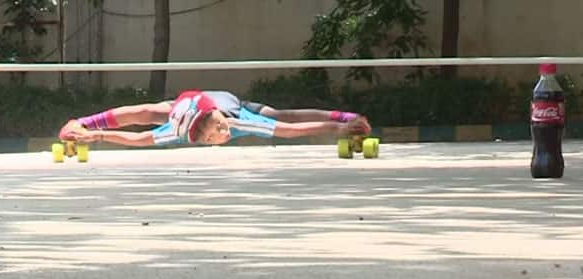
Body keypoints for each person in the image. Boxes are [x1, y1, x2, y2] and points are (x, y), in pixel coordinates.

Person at [58, 90, 371, 147]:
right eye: (211, 138)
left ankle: (345, 113)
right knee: (149, 111)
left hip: (227, 102)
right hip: (185, 106)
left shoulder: (236, 120)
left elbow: (288, 129)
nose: (219, 137)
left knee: (277, 114)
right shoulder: (178, 129)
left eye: (219, 131)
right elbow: (139, 134)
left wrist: (340, 127)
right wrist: (88, 129)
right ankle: (87, 118)